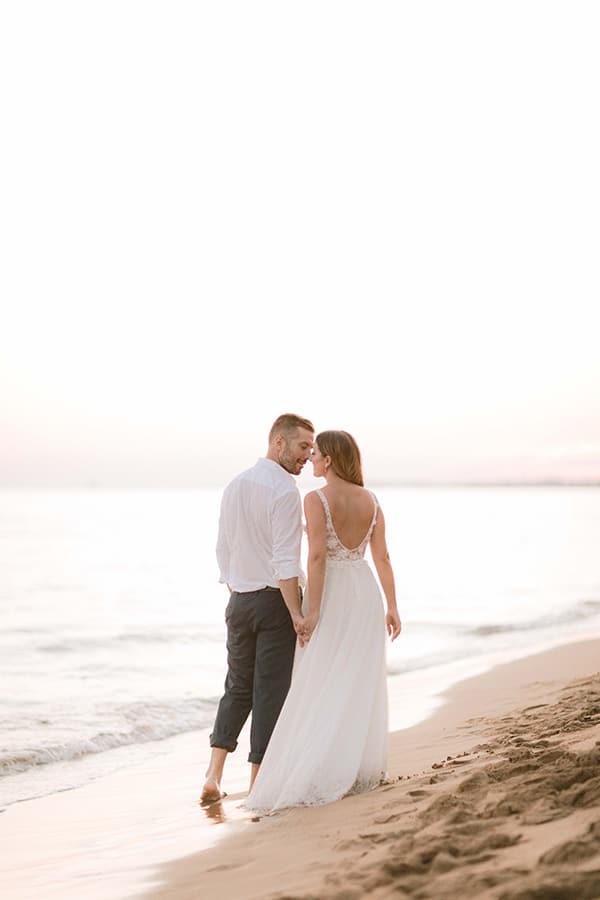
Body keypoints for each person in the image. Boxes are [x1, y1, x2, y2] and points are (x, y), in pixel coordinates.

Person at [244, 429, 401, 813]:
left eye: (316, 455)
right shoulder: (372, 501)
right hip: (364, 593)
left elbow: (315, 557)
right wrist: (393, 607)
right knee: (356, 680)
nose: (311, 459)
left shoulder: (315, 499)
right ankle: (355, 766)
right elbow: (382, 558)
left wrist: (311, 612)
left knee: (318, 678)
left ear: (330, 460)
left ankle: (318, 768)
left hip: (331, 592)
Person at [200, 413, 315, 805]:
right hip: (273, 601)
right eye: (303, 447)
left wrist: (237, 587)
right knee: (270, 693)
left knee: (237, 687)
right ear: (278, 443)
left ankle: (213, 775)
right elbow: (286, 562)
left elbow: (222, 549)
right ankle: (258, 784)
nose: (308, 456)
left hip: (240, 601)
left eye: (311, 450)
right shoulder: (284, 491)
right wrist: (296, 614)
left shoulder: (235, 485)